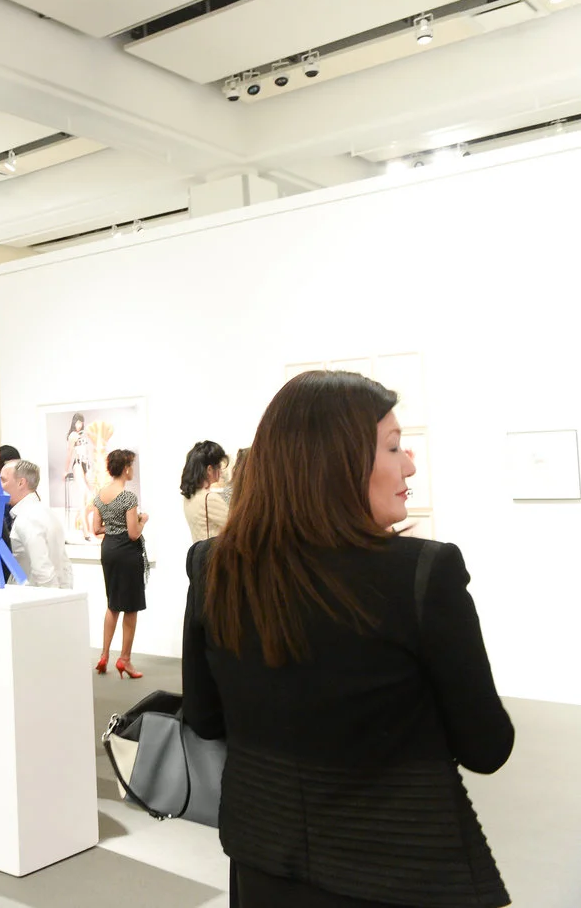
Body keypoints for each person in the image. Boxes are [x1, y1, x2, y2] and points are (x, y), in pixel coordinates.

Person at [183, 370, 512, 908]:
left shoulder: (213, 565)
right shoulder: (422, 574)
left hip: (264, 864)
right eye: (394, 447)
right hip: (404, 873)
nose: (409, 465)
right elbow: (487, 746)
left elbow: (204, 717)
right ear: (338, 461)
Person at [92, 449, 147, 679]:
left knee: (113, 604)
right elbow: (133, 533)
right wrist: (143, 520)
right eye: (131, 465)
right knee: (131, 607)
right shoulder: (128, 498)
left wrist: (114, 527)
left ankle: (104, 655)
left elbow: (96, 529)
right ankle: (125, 659)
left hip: (109, 550)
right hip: (126, 551)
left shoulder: (100, 495)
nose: (132, 469)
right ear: (125, 468)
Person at [1, 459, 72, 589]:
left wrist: (53, 598)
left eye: (3, 480)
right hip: (50, 593)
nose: (0, 486)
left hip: (34, 596)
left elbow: (42, 569)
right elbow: (64, 566)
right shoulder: (47, 513)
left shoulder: (27, 518)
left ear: (21, 483)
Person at [180, 440, 231, 543]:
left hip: (198, 550)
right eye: (219, 467)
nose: (221, 472)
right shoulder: (209, 498)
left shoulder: (189, 496)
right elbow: (236, 526)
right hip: (214, 551)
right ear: (209, 470)